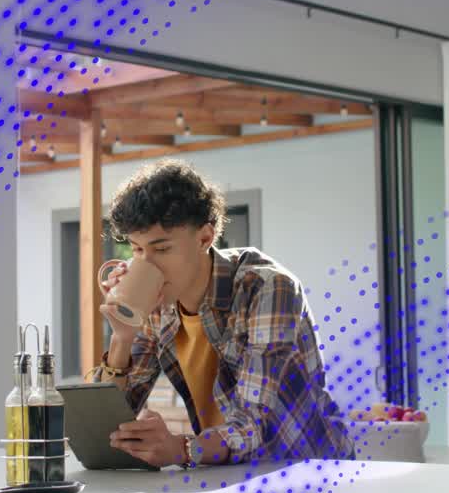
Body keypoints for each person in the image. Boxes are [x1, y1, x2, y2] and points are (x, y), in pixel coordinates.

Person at [90, 159, 352, 467]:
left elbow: (255, 424)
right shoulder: (158, 304)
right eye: (136, 250)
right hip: (230, 478)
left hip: (310, 475)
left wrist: (183, 450)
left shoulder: (268, 288)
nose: (148, 264)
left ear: (205, 238)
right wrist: (122, 338)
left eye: (161, 250)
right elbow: (104, 422)